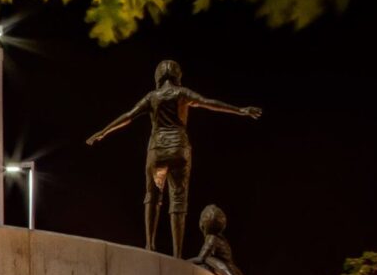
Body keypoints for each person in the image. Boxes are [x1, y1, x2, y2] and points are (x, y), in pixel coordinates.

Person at [87, 60, 262, 257]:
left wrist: (103, 131)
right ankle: (177, 253)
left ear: (158, 76)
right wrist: (240, 110)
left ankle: (150, 245)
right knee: (178, 201)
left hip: (158, 151)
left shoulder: (152, 97)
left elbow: (128, 115)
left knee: (153, 196)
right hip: (179, 149)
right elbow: (208, 102)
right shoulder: (181, 93)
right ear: (178, 75)